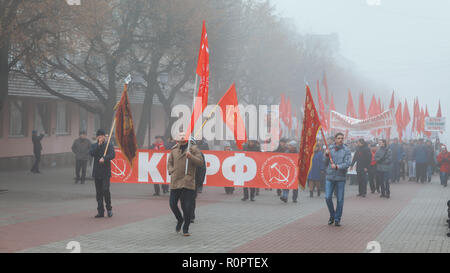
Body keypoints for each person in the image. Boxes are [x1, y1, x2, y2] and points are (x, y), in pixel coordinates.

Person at [167, 132, 204, 236]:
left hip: (188, 181)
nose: (181, 140)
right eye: (180, 138)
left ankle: (186, 227)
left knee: (187, 206)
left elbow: (200, 162)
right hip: (176, 180)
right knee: (172, 203)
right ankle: (180, 219)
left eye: (183, 138)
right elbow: (170, 162)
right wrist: (171, 170)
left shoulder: (194, 149)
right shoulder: (174, 150)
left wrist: (190, 156)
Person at [324, 132, 352, 227]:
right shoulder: (330, 148)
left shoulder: (346, 150)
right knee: (327, 197)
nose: (340, 140)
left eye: (342, 138)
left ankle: (337, 218)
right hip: (330, 176)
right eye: (338, 138)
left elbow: (348, 163)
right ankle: (332, 215)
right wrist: (326, 155)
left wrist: (337, 166)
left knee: (340, 199)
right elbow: (325, 163)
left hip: (340, 177)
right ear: (335, 139)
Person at [89, 129, 115, 218]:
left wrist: (105, 158)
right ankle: (100, 211)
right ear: (97, 137)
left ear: (104, 137)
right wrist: (98, 145)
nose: (100, 138)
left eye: (102, 136)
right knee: (99, 193)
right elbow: (91, 153)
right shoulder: (94, 145)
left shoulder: (109, 145)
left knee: (105, 190)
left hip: (106, 172)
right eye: (99, 136)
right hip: (97, 172)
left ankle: (109, 208)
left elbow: (112, 155)